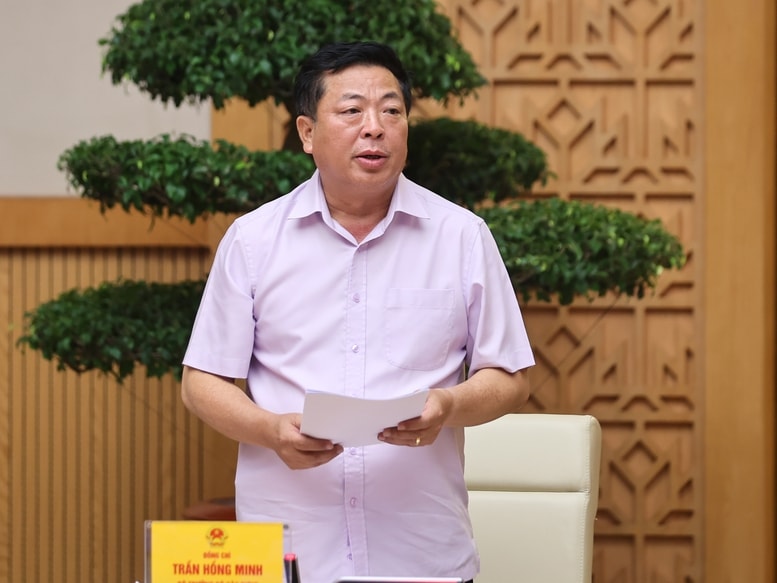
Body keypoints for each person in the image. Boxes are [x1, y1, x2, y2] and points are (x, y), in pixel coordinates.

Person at [181, 40, 534, 583]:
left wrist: (448, 404)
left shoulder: (461, 236)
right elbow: (201, 381)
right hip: (290, 554)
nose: (375, 128)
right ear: (306, 133)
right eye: (351, 111)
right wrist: (270, 429)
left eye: (392, 111)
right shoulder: (253, 240)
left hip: (422, 556)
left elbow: (510, 377)